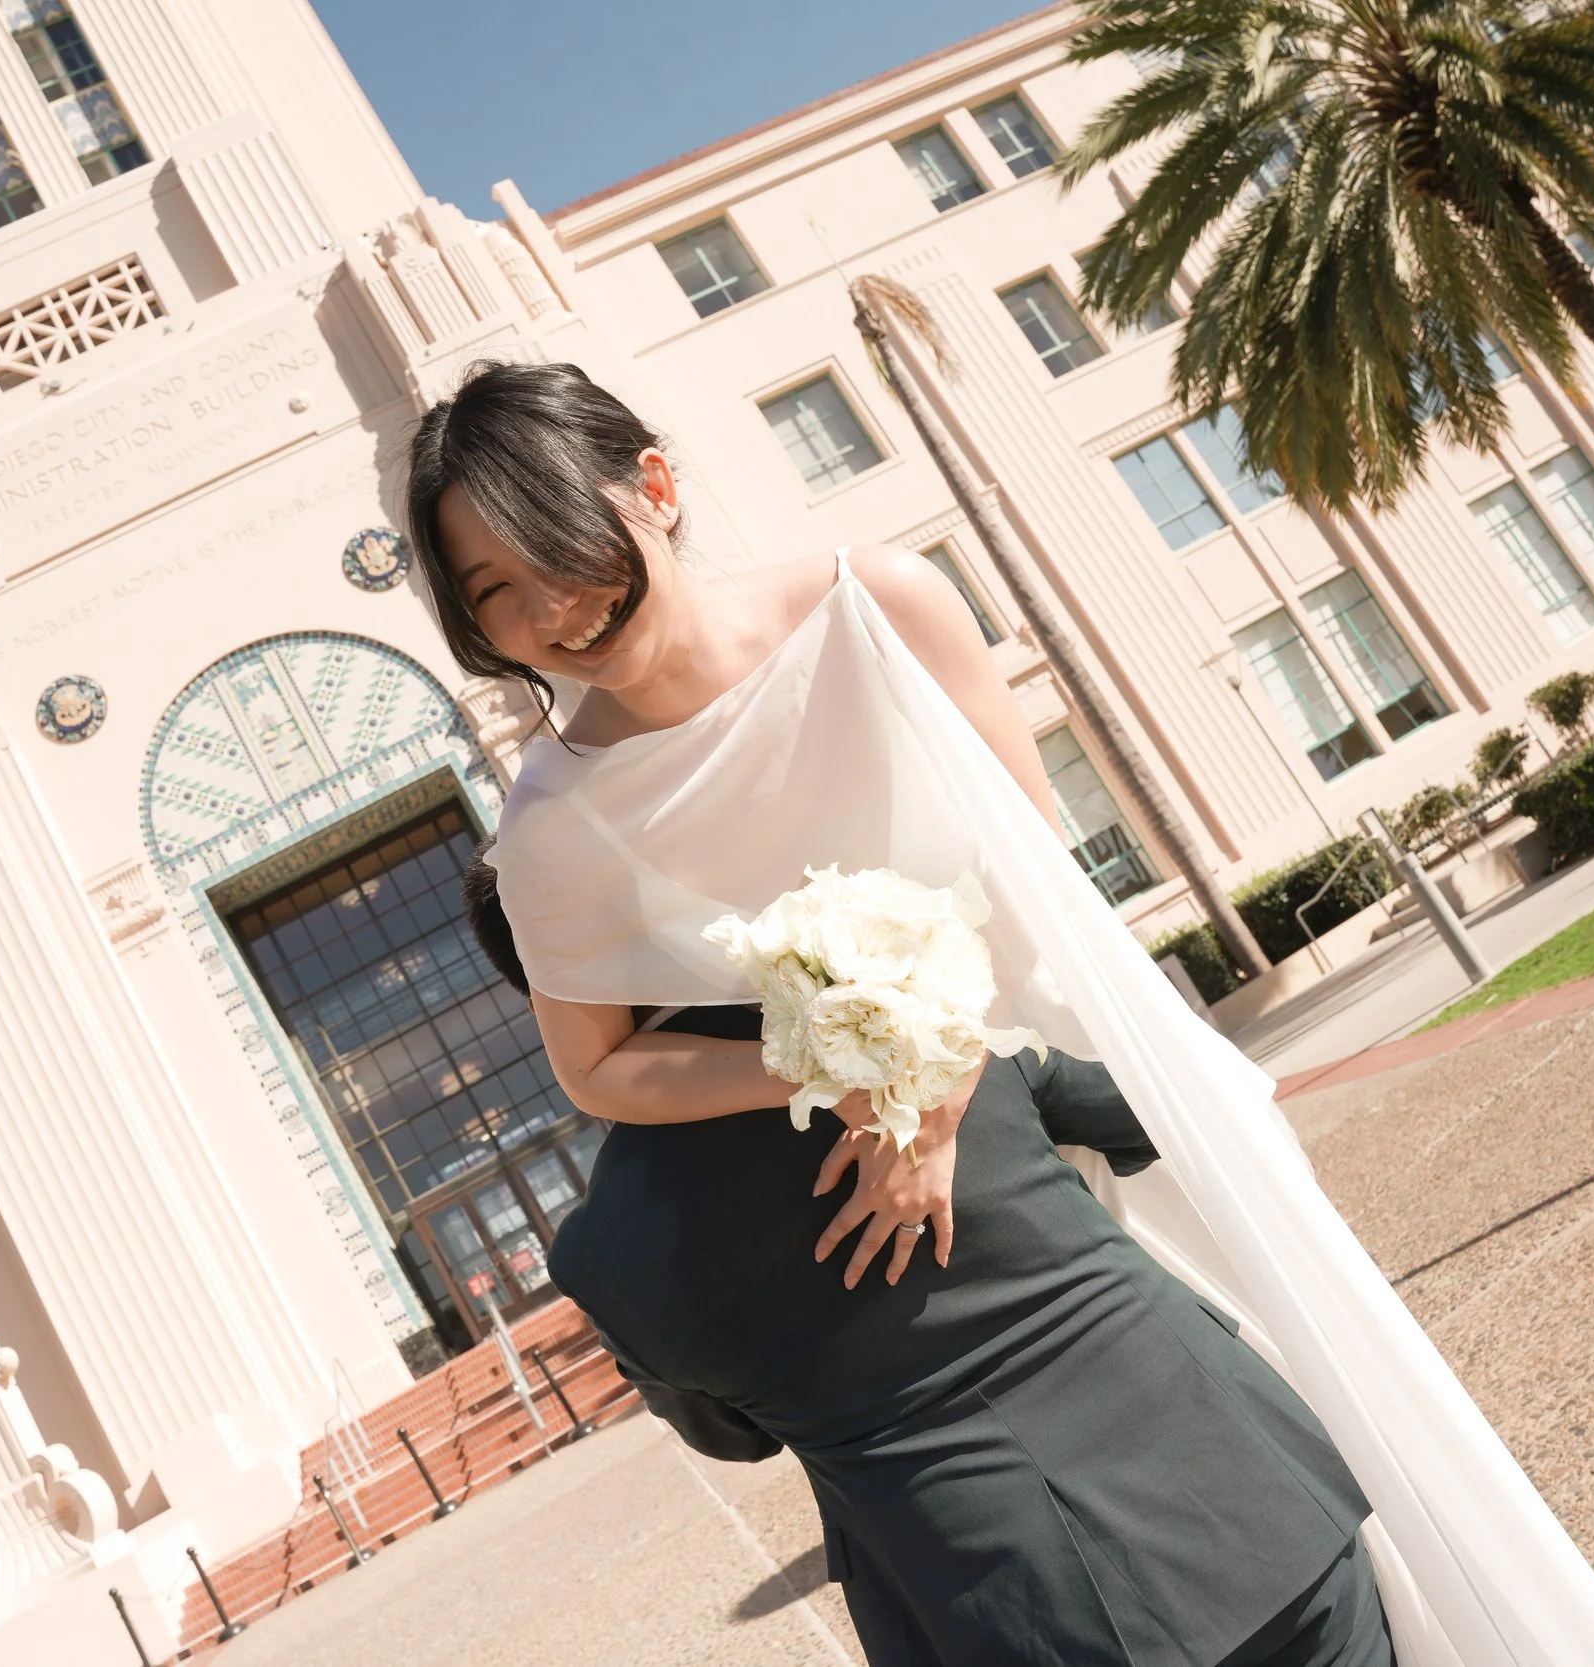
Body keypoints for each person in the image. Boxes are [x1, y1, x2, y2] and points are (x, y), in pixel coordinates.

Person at [421, 360, 1395, 1666]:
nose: (548, 606)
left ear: (651, 485)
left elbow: (1031, 876)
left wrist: (934, 1091)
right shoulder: (549, 823)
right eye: (491, 588)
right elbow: (599, 1068)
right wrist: (832, 1062)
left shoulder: (881, 603)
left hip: (1054, 1106)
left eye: (552, 541)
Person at [461, 851, 1389, 1666]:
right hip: (1247, 1497)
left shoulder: (604, 1255)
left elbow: (734, 1438)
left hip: (1006, 1614)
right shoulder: (916, 1025)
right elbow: (1157, 1116)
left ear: (540, 995)